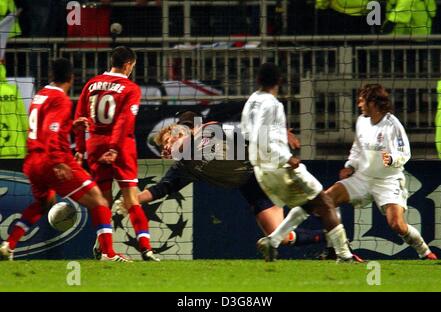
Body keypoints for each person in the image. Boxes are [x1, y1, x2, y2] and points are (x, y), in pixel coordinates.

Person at [114, 111, 325, 250]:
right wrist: (131, 200)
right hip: (250, 185)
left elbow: (248, 133)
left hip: (266, 169)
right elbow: (162, 189)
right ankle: (326, 238)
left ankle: (336, 234)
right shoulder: (184, 168)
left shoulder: (210, 133)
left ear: (181, 132)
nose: (167, 147)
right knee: (279, 237)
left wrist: (277, 136)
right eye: (164, 147)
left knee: (317, 204)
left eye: (169, 140)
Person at [0, 58, 128, 262]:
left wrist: (71, 125)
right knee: (99, 201)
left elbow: (45, 126)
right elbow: (50, 131)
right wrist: (59, 161)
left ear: (51, 76)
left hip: (33, 161)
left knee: (44, 204)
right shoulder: (61, 99)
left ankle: (9, 246)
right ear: (71, 77)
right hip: (53, 160)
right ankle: (108, 254)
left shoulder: (41, 95)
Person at [240, 63, 361, 262]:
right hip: (279, 166)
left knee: (309, 204)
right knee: (326, 203)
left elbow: (248, 134)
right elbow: (260, 137)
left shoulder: (251, 101)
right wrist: (286, 157)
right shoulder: (272, 103)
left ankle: (273, 241)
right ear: (280, 81)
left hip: (261, 170)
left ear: (258, 80)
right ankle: (344, 255)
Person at [325, 83, 437, 260]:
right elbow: (357, 147)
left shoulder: (392, 125)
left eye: (362, 101)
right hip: (362, 178)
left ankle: (424, 251)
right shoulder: (362, 121)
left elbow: (405, 153)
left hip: (387, 181)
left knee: (397, 225)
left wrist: (392, 159)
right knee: (326, 201)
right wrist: (351, 165)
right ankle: (336, 251)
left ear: (373, 103)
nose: (359, 105)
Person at [74, 46, 159, 261]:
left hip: (94, 144)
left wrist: (80, 150)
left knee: (103, 200)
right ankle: (146, 248)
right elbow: (124, 121)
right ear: (128, 64)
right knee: (131, 198)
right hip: (120, 147)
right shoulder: (130, 88)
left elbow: (79, 120)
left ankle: (104, 249)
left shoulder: (91, 84)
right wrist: (113, 147)